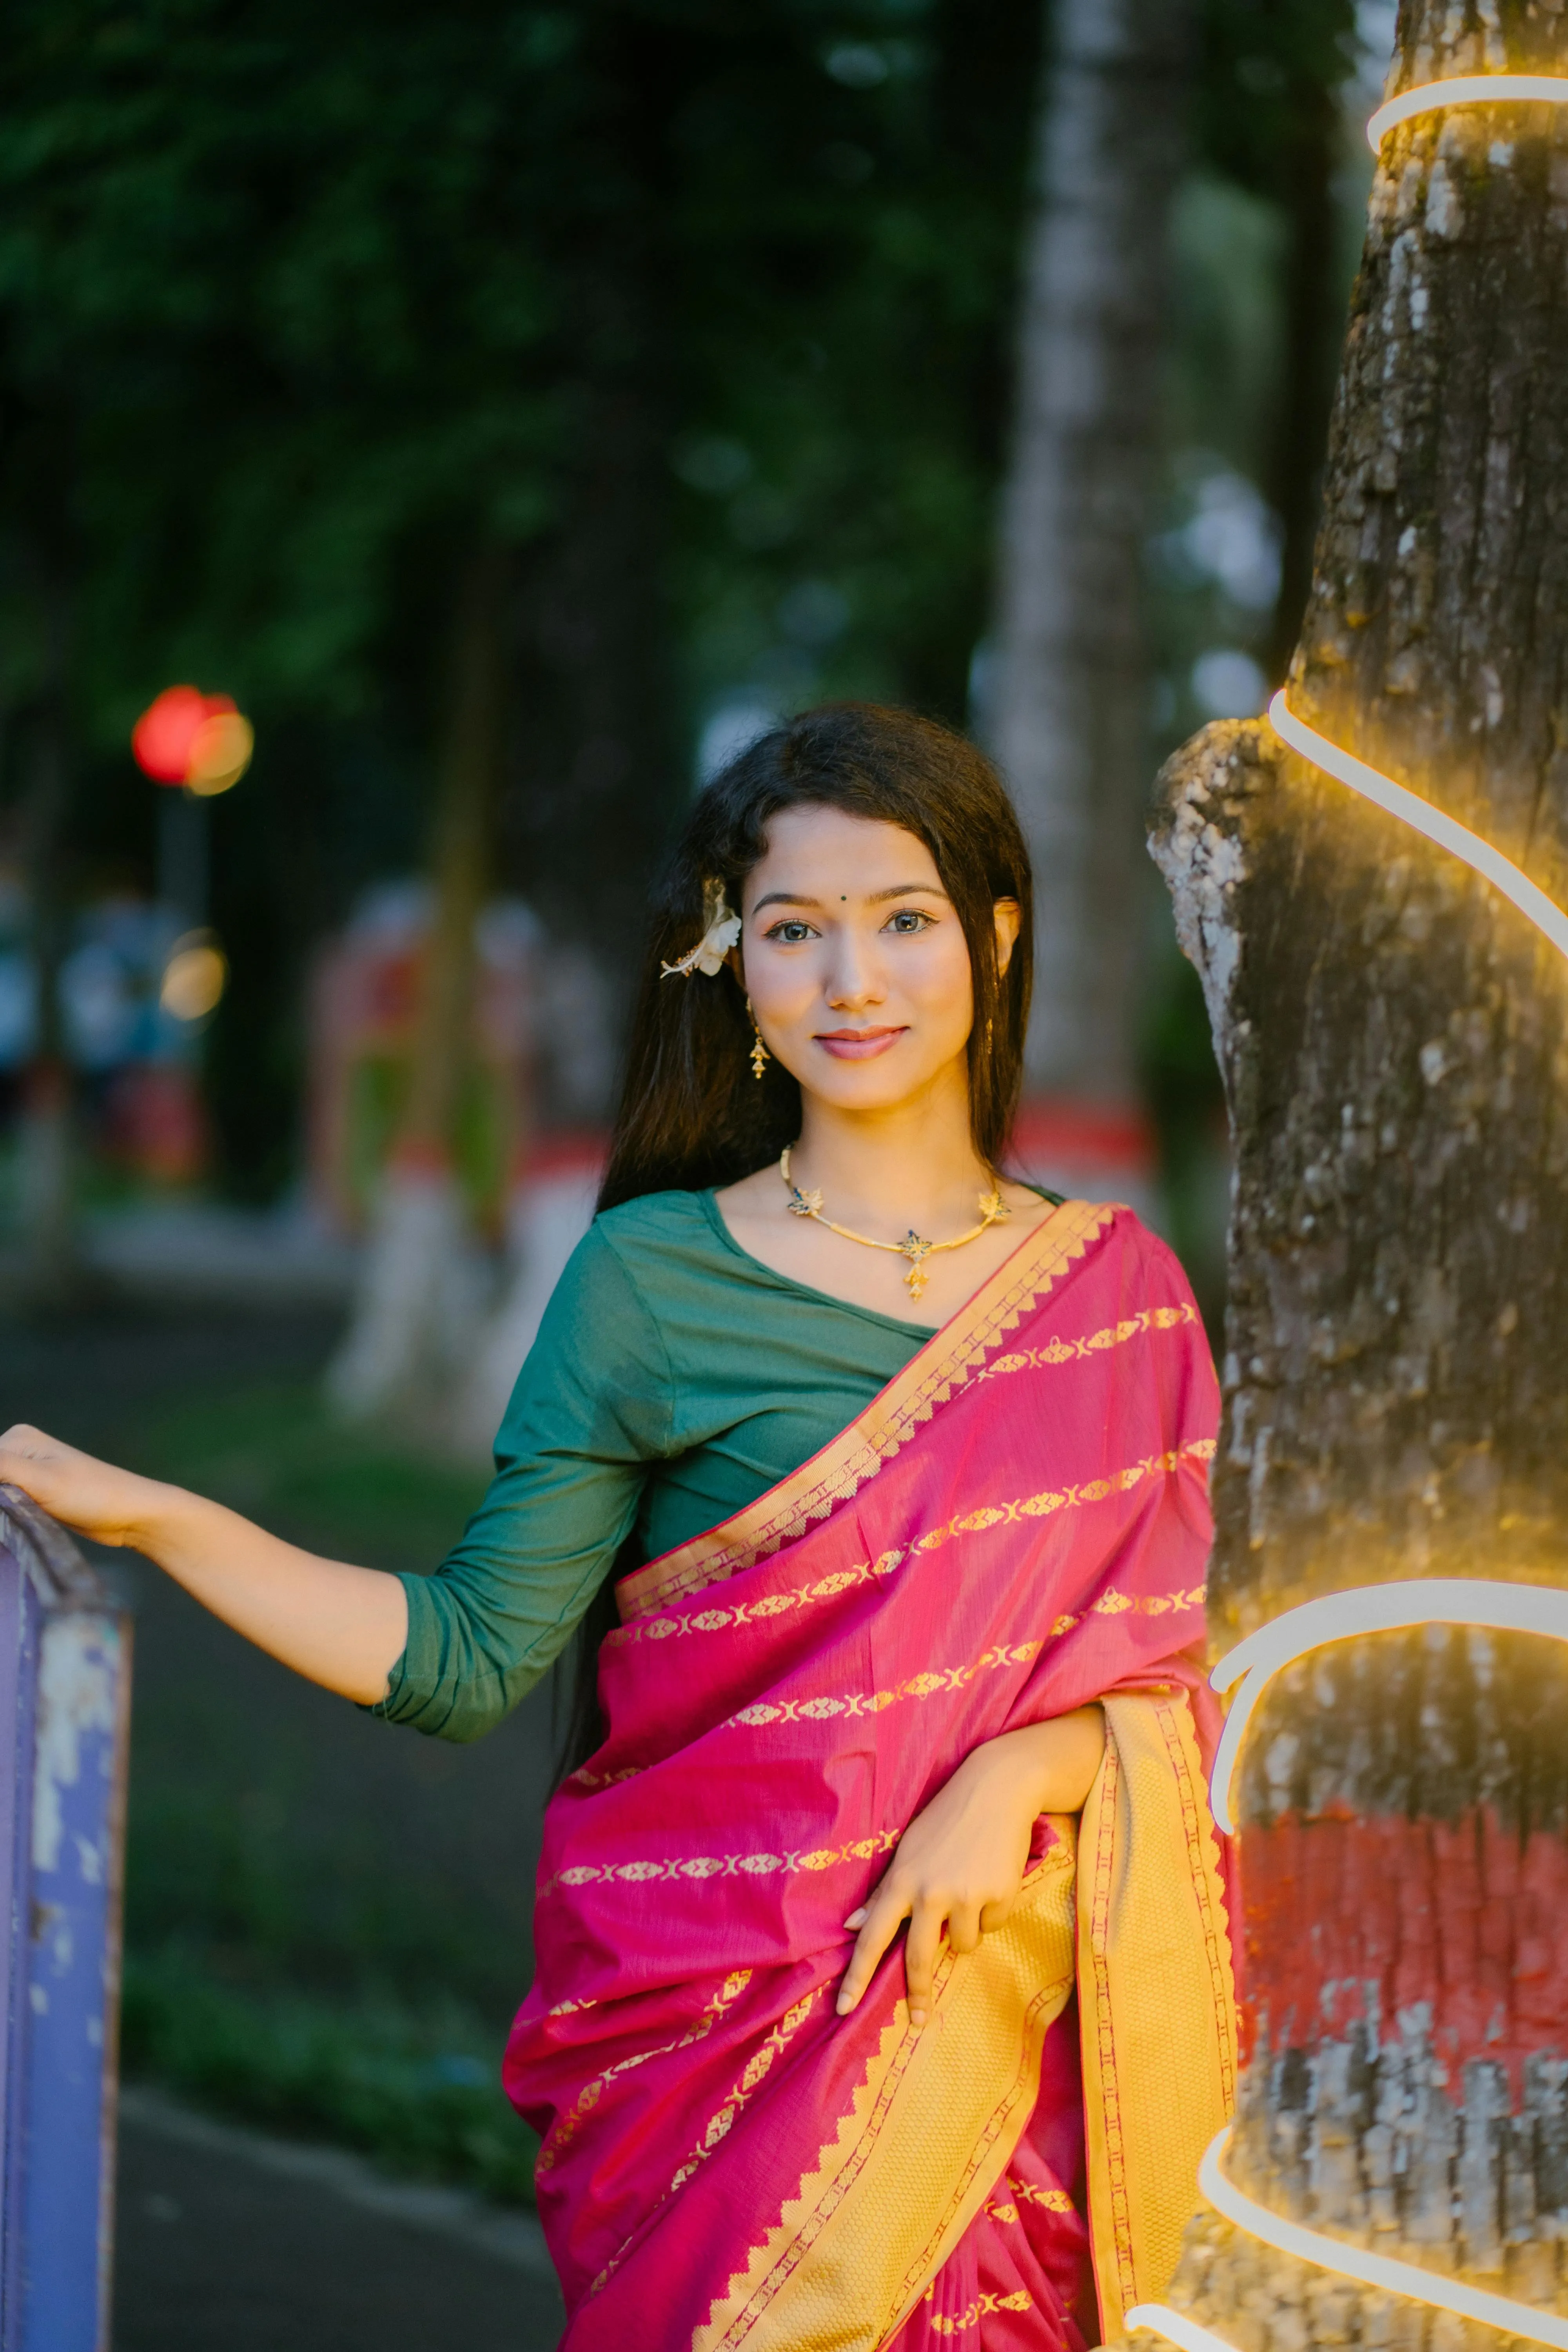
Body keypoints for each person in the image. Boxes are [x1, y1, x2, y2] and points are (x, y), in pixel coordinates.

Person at [0, 704, 1236, 2350]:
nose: (850, 980)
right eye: (792, 930)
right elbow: (464, 1657)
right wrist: (159, 1517)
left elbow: (1193, 1683)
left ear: (995, 941)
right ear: (732, 961)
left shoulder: (1120, 1300)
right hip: (722, 2057)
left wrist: (1023, 1770)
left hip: (1032, 2066)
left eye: (902, 920)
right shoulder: (650, 1282)